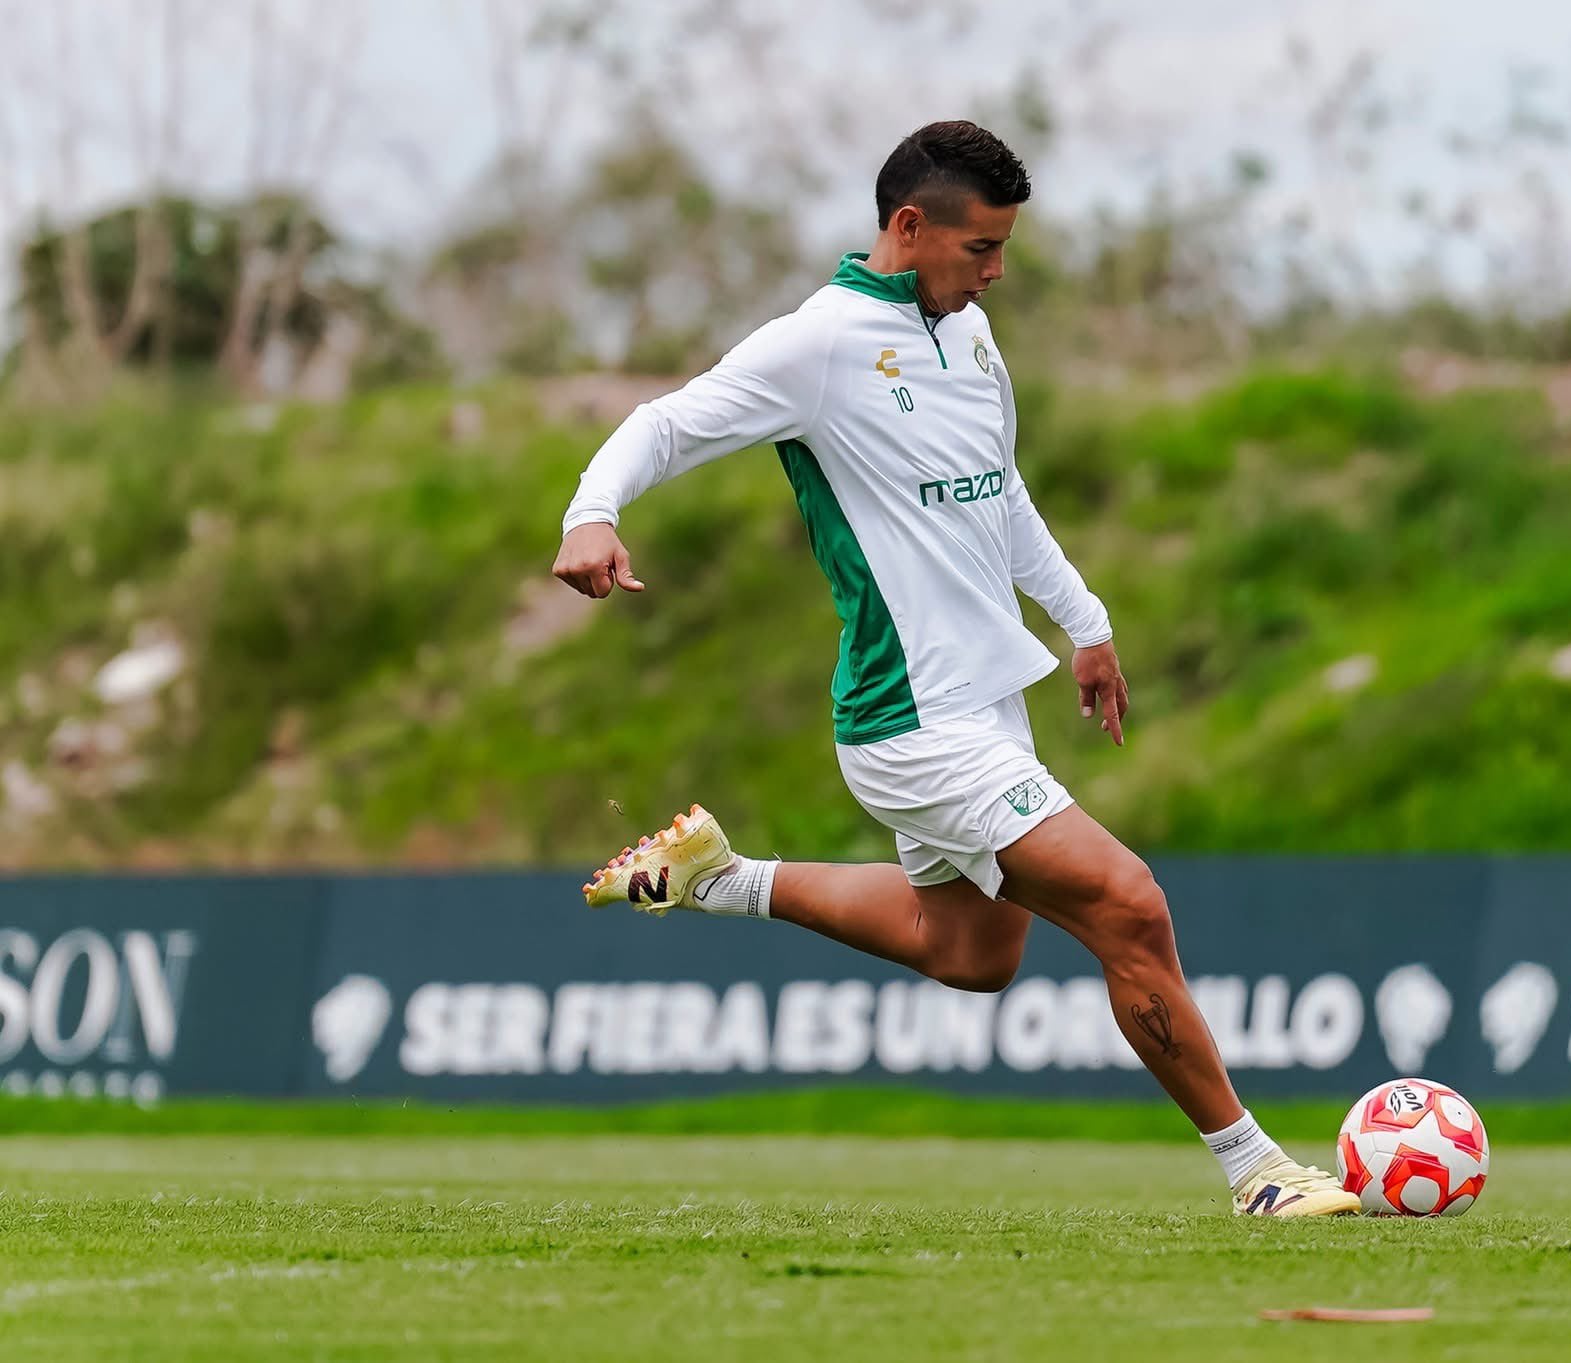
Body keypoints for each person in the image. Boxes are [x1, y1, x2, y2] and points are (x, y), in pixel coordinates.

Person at [553, 120, 1356, 1218]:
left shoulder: (970, 337)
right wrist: (592, 513)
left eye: (1003, 247)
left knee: (970, 953)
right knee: (1127, 904)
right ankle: (1257, 1171)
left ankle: (721, 877)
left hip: (989, 704)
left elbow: (1000, 491)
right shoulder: (817, 345)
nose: (995, 272)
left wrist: (1085, 622)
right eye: (980, 247)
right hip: (911, 719)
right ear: (908, 225)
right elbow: (664, 423)